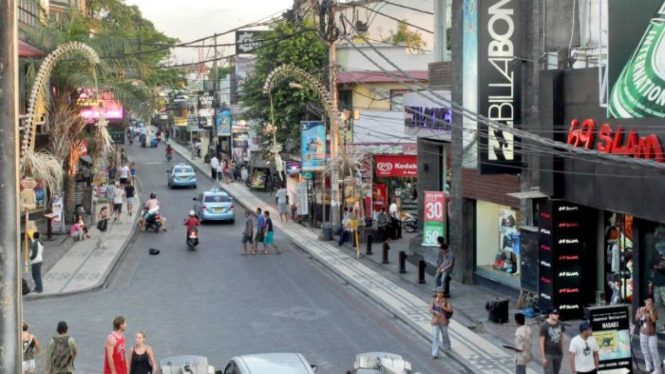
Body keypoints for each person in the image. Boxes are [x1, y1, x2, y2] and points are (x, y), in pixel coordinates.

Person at [636, 295, 661, 373]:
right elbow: (636, 318)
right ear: (645, 301)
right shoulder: (640, 309)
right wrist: (640, 314)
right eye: (648, 301)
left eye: (651, 301)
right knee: (645, 350)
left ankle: (658, 368)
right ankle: (648, 366)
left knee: (653, 351)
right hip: (642, 333)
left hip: (652, 334)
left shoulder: (654, 310)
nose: (650, 302)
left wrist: (650, 311)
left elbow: (654, 320)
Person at [539, 308, 566, 374]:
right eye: (555, 314)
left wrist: (562, 350)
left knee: (556, 371)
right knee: (549, 372)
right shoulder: (544, 326)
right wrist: (543, 357)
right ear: (550, 315)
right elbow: (541, 342)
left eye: (558, 314)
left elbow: (563, 337)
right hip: (548, 354)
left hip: (558, 353)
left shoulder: (560, 323)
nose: (557, 315)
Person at [430, 290, 452, 358]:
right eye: (438, 293)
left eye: (441, 293)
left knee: (445, 334)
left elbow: (450, 310)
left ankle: (447, 345)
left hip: (443, 320)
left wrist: (443, 307)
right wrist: (435, 312)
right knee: (435, 337)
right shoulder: (433, 300)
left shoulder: (446, 301)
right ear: (436, 293)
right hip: (435, 321)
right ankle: (435, 354)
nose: (439, 294)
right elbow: (430, 309)